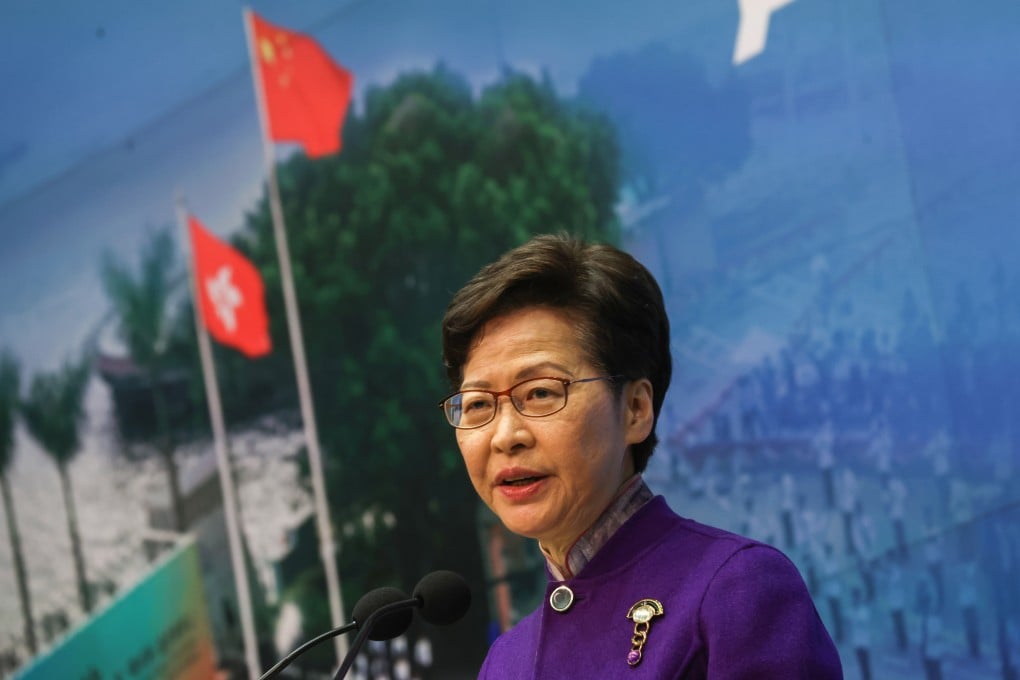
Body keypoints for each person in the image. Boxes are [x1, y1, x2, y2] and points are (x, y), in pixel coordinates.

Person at [439, 235, 842, 678]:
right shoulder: (504, 664)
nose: (504, 436)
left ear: (635, 410)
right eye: (478, 404)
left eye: (540, 392)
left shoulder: (734, 591)